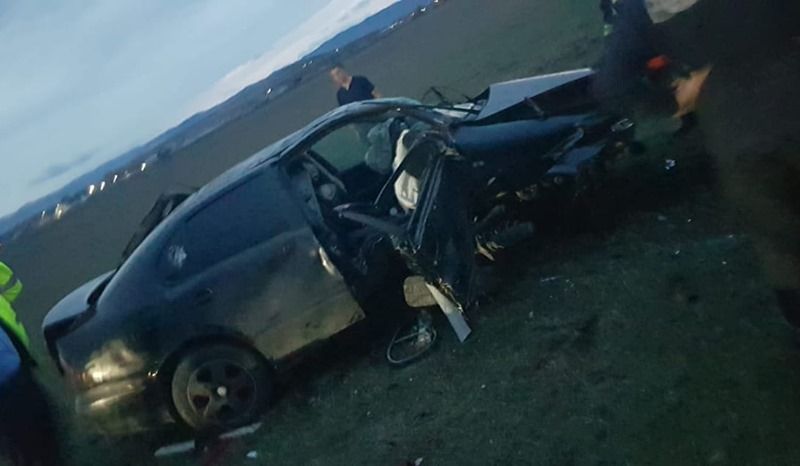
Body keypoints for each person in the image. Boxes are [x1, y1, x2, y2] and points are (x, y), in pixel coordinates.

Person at [594, 0, 800, 338]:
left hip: (736, 140)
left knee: (781, 247)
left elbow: (610, 84)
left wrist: (674, 102)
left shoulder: (641, 8)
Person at [0, 262, 61, 465]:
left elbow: (12, 287)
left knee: (33, 442)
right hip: (12, 374)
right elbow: (12, 288)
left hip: (15, 367)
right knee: (37, 441)